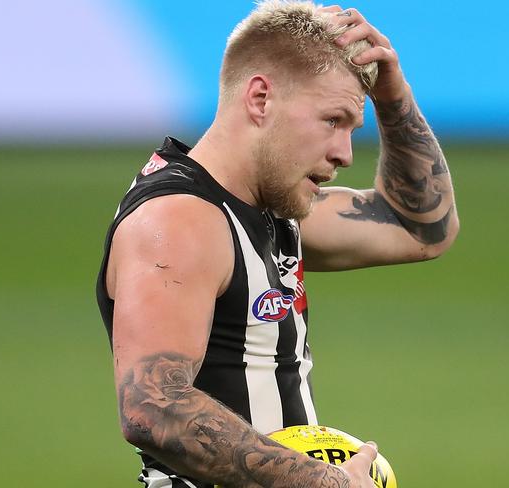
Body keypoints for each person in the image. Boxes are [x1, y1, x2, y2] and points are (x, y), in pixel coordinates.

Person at [96, 2, 459, 487]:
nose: (345, 154)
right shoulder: (179, 219)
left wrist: (392, 98)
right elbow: (154, 408)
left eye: (353, 129)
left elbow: (421, 227)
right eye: (333, 120)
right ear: (261, 99)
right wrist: (325, 482)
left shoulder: (271, 204)